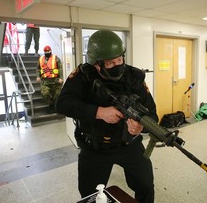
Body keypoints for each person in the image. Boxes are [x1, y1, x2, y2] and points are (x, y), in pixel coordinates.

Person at [56, 30, 158, 203]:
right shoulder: (83, 76)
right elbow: (62, 104)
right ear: (96, 64)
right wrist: (99, 113)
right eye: (110, 63)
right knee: (90, 195)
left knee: (146, 187)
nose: (117, 65)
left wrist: (141, 126)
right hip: (95, 148)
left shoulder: (134, 77)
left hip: (129, 145)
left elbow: (152, 113)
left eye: (120, 59)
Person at [37, 45, 63, 112]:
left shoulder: (56, 58)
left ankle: (55, 106)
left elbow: (60, 68)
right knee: (44, 93)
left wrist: (61, 78)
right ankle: (51, 104)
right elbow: (38, 69)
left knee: (58, 94)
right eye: (46, 51)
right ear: (44, 52)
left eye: (48, 51)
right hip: (45, 81)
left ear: (51, 51)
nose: (47, 52)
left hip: (56, 80)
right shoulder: (41, 59)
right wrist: (38, 76)